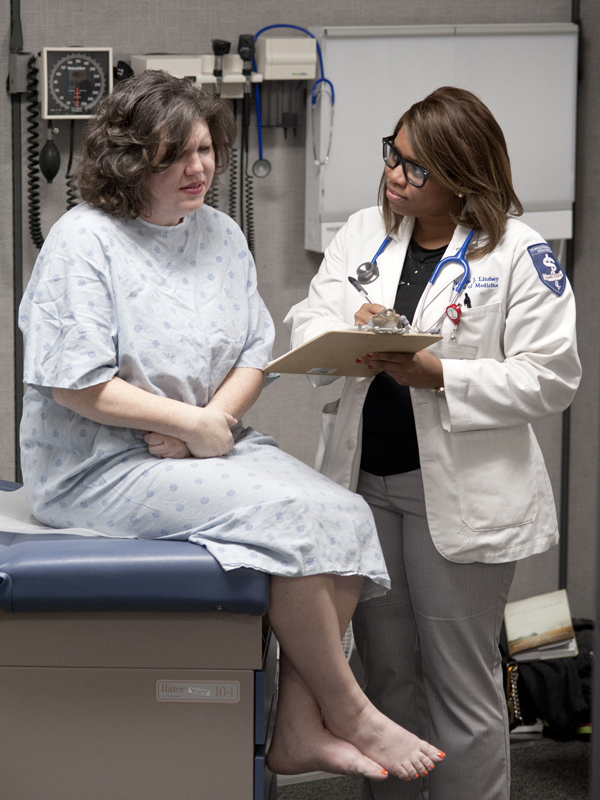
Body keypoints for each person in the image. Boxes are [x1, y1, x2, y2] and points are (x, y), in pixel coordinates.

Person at [18, 70, 446, 784]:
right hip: (98, 467)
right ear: (129, 161)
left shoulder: (219, 233)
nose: (198, 168)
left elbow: (256, 352)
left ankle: (298, 726)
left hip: (202, 446)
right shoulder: (82, 240)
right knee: (293, 514)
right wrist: (196, 426)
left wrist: (208, 427)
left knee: (340, 512)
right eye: (173, 154)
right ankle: (350, 708)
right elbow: (78, 381)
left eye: (206, 148)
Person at [285, 86, 581, 800]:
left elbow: (551, 377)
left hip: (462, 498)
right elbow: (306, 317)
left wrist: (438, 374)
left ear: (462, 174)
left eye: (416, 167)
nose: (395, 174)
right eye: (393, 153)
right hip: (364, 484)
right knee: (384, 678)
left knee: (460, 687)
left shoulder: (518, 253)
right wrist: (344, 332)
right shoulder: (362, 232)